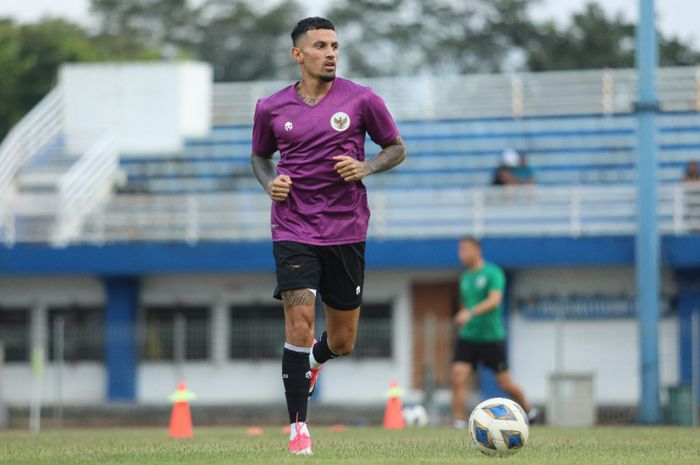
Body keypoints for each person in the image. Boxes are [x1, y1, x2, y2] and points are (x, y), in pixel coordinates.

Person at [250, 17, 406, 455]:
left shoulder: (362, 99)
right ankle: (299, 430)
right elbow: (260, 157)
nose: (331, 52)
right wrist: (269, 183)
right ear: (298, 54)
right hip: (293, 228)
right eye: (320, 45)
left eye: (335, 45)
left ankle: (315, 361)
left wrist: (367, 166)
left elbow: (396, 148)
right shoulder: (271, 107)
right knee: (299, 323)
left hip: (346, 228)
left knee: (343, 341)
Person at [450, 237, 535, 429]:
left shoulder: (493, 272)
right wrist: (464, 318)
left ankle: (529, 409)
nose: (460, 254)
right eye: (459, 250)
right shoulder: (465, 278)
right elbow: (465, 305)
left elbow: (494, 301)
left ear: (476, 250)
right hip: (469, 336)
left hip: (491, 337)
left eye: (464, 249)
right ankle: (458, 420)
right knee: (458, 375)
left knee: (505, 383)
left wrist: (469, 313)